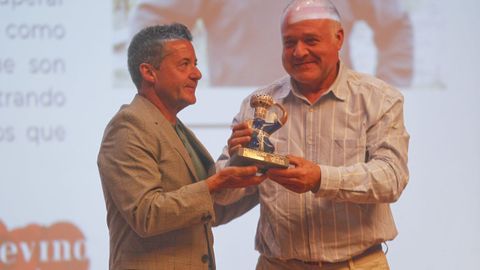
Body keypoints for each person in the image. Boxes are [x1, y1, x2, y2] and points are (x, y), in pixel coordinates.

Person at [217, 0, 410, 269]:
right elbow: (221, 199)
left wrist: (320, 178)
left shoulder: (380, 98)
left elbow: (391, 178)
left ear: (338, 38)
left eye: (311, 40)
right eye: (289, 42)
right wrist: (238, 161)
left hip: (357, 264)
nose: (299, 52)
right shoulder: (258, 104)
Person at [97, 23, 265, 270]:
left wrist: (259, 181)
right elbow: (147, 215)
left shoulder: (173, 127)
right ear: (149, 72)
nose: (197, 73)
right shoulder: (129, 126)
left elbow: (206, 211)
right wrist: (216, 183)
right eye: (184, 64)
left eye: (195, 63)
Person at [128, 0, 413, 87]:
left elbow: (395, 28)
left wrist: (386, 96)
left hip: (333, 117)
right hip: (242, 121)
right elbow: (154, 21)